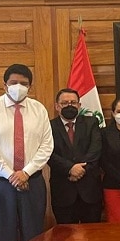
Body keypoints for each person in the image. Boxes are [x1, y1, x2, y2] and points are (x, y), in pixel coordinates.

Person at [0, 63, 54, 241]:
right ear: (5, 85)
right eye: (13, 82)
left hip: (32, 182)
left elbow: (47, 146)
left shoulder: (39, 110)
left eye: (24, 83)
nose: (18, 87)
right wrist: (11, 174)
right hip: (0, 184)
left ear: (30, 87)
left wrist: (25, 172)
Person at [48, 88, 102, 224]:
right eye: (64, 103)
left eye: (73, 102)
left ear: (79, 105)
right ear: (57, 106)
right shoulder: (49, 126)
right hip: (63, 191)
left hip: (89, 191)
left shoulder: (91, 122)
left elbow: (95, 150)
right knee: (65, 235)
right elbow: (48, 153)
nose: (69, 106)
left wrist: (80, 170)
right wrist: (70, 168)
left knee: (93, 234)